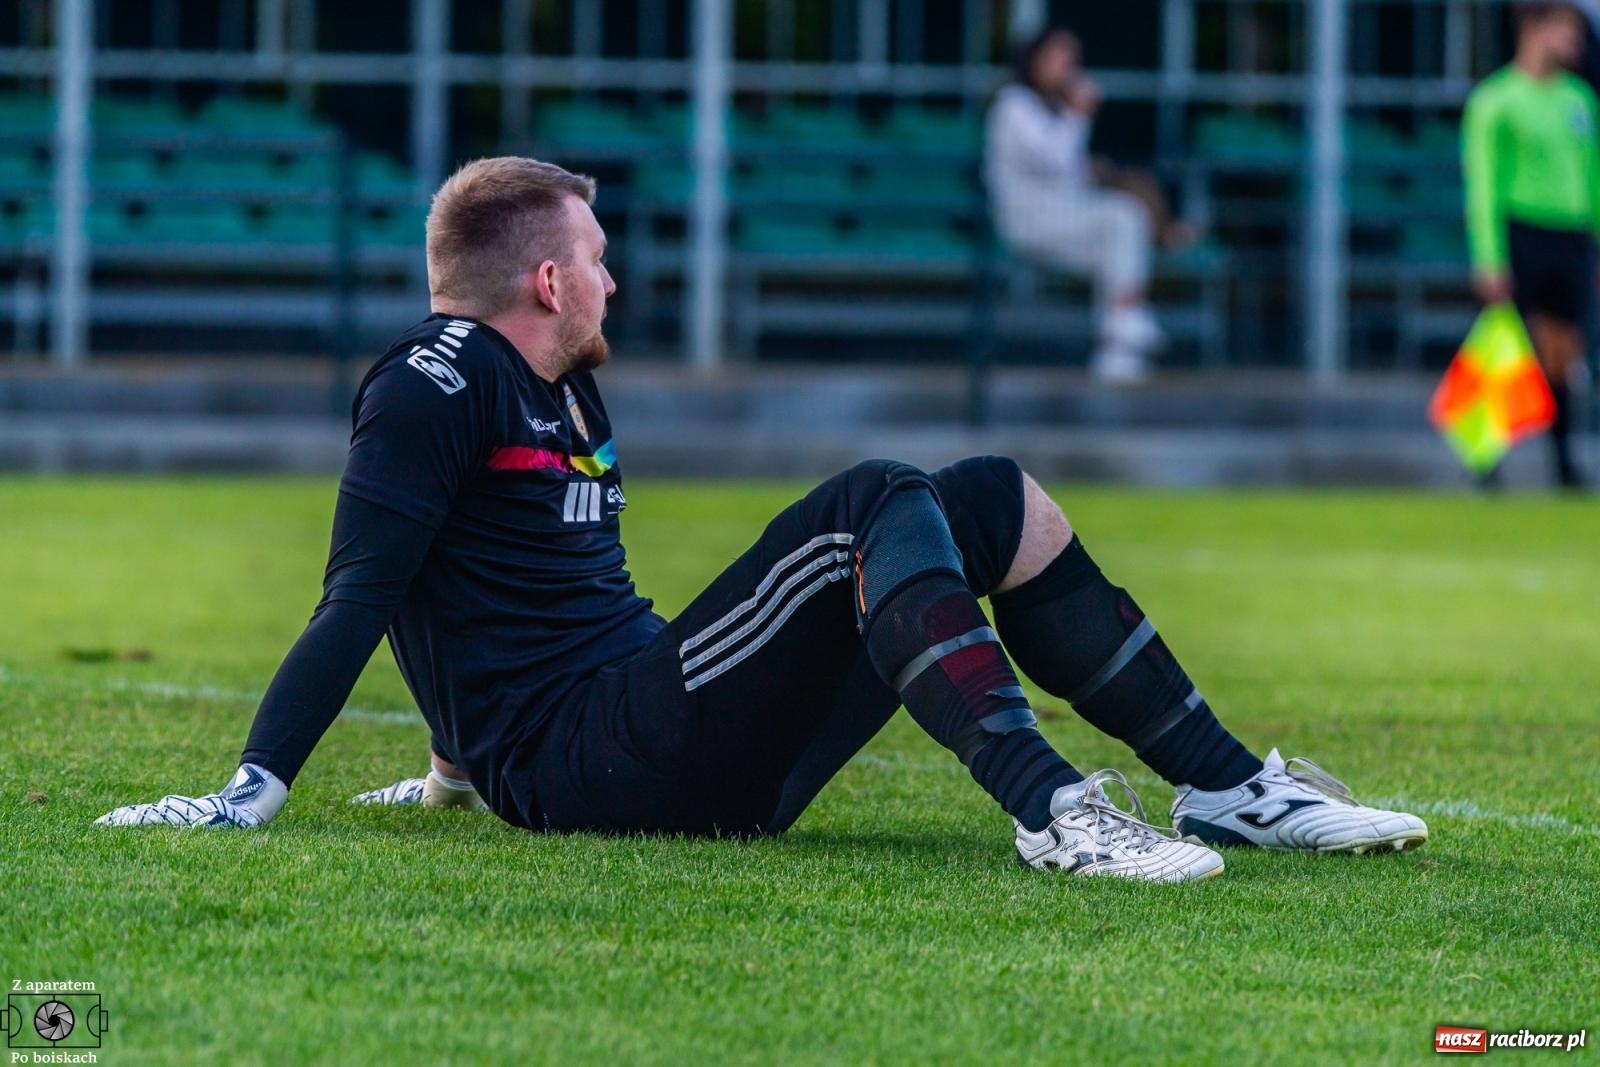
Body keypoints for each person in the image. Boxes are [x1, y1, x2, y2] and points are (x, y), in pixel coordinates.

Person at [96, 158, 1428, 880]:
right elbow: (365, 592)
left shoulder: (564, 381)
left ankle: (1227, 787)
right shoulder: (429, 382)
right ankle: (1056, 811)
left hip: (641, 727)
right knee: (868, 503)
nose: (615, 279)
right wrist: (247, 794)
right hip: (595, 759)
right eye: (597, 258)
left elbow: (499, 582)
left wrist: (450, 767)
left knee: (984, 493)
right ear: (547, 279)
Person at [985, 28, 1190, 385]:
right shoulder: (1014, 104)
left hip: (1063, 219)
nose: (1067, 68)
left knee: (1121, 249)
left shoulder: (1054, 108)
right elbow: (1054, 159)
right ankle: (1128, 324)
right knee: (1124, 216)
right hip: (1026, 222)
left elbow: (1064, 170)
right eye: (1058, 59)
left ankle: (1117, 352)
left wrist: (1091, 169)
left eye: (1071, 61)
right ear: (1034, 61)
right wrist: (1079, 114)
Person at [1463, 1, 1600, 488]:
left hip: (1573, 235)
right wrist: (1489, 256)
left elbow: (1593, 176)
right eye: (1566, 30)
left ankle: (1562, 463)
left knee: (1564, 354)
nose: (1576, 43)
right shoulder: (1496, 100)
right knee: (1508, 351)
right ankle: (1485, 460)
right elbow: (1482, 184)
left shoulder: (1579, 100)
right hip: (1522, 231)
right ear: (1534, 29)